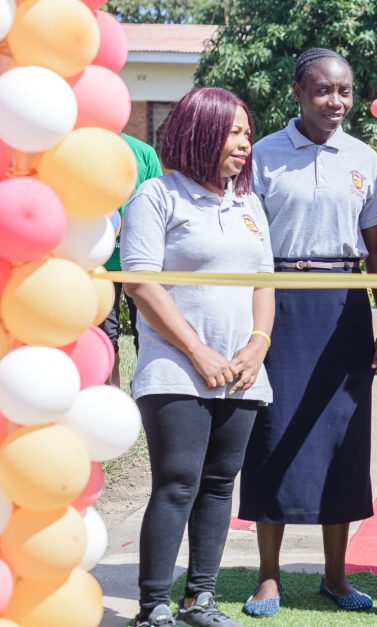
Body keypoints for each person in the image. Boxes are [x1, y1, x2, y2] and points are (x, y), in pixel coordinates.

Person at [237, 47, 377, 616]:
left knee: (341, 440)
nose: (337, 101)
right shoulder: (261, 156)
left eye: (345, 91)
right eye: (324, 90)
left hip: (346, 305)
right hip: (277, 302)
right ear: (298, 93)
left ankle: (335, 575)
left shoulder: (364, 160)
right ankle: (269, 577)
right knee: (273, 434)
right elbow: (244, 240)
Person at [122, 87, 273, 627]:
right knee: (179, 482)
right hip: (175, 370)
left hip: (241, 374)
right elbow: (141, 281)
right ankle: (153, 606)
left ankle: (199, 599)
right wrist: (198, 351)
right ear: (201, 130)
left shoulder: (249, 202)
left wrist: (258, 345)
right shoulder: (158, 196)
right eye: (235, 131)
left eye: (248, 133)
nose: (245, 143)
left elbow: (263, 283)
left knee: (218, 484)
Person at [101, 133, 163, 386]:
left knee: (148, 333)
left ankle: (148, 397)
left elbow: (160, 204)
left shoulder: (143, 152)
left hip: (141, 261)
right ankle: (110, 400)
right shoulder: (85, 147)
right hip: (99, 264)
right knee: (105, 337)